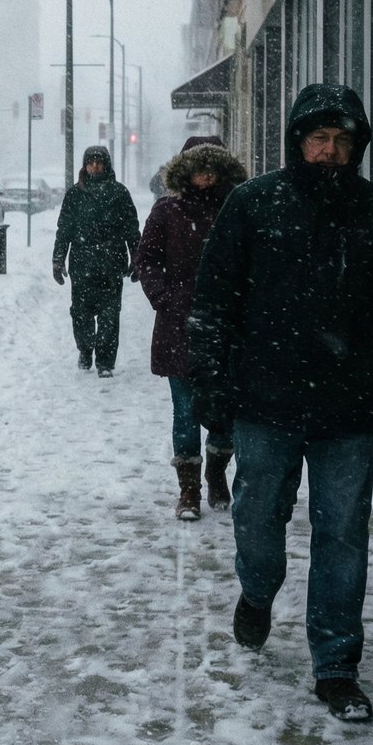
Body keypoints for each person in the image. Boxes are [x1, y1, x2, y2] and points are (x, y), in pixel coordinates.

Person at [187, 85, 373, 723]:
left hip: (346, 408)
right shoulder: (251, 205)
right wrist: (211, 383)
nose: (330, 151)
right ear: (299, 141)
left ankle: (335, 664)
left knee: (343, 537)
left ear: (356, 148)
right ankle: (258, 591)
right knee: (258, 518)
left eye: (343, 141)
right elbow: (212, 305)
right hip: (264, 402)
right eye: (319, 139)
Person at [133, 136, 247, 520]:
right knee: (184, 411)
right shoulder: (166, 211)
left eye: (212, 167)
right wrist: (163, 296)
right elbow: (145, 259)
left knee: (223, 410)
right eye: (199, 168)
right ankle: (189, 490)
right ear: (185, 170)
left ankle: (216, 474)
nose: (206, 175)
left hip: (226, 327)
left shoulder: (238, 207)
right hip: (177, 326)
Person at [52, 145, 141, 378]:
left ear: (106, 165)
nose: (94, 166)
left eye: (99, 162)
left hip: (111, 265)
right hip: (82, 265)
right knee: (80, 313)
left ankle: (105, 362)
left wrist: (137, 258)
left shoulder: (119, 193)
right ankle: (85, 349)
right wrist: (58, 259)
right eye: (90, 162)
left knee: (110, 316)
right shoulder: (75, 194)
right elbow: (64, 230)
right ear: (85, 165)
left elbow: (132, 229)